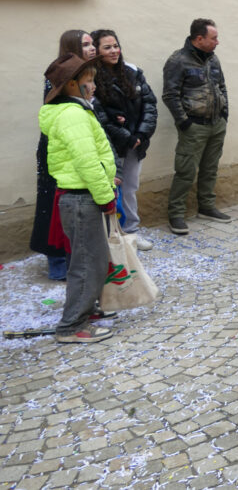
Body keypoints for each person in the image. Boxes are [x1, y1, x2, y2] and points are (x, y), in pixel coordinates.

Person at [38, 54, 117, 343]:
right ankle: (71, 326)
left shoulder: (76, 110)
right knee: (87, 263)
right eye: (89, 80)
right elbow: (86, 161)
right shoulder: (73, 115)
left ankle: (87, 308)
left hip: (82, 197)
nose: (93, 85)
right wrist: (105, 196)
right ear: (72, 84)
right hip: (83, 198)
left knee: (90, 258)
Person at [31, 30, 96, 280]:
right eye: (86, 44)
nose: (92, 48)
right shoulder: (59, 75)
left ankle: (76, 259)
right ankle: (57, 262)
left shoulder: (89, 74)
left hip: (80, 144)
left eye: (92, 43)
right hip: (58, 148)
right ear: (72, 48)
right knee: (53, 204)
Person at [90, 30, 159, 251]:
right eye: (107, 47)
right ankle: (111, 235)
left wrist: (140, 135)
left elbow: (149, 105)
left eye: (115, 46)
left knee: (130, 188)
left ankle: (131, 232)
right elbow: (99, 116)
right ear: (96, 51)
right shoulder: (90, 77)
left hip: (135, 144)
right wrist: (125, 137)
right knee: (109, 190)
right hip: (109, 146)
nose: (114, 51)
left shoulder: (132, 72)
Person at [162, 18, 231, 235]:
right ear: (199, 39)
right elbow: (170, 95)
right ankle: (176, 214)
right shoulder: (178, 61)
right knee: (185, 171)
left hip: (216, 124)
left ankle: (207, 207)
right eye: (214, 38)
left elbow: (222, 86)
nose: (218, 42)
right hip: (194, 126)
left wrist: (224, 113)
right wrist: (184, 122)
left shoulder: (213, 59)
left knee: (210, 168)